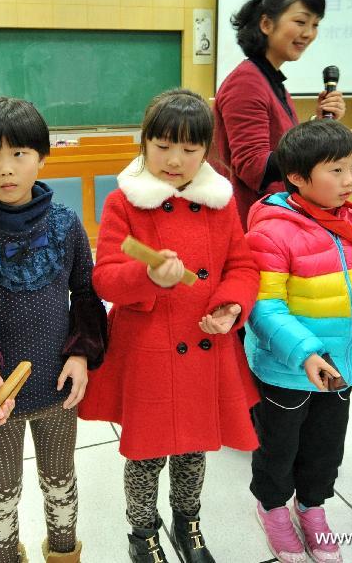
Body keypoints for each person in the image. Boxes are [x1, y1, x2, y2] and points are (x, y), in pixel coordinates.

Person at [79, 89, 260, 563]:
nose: (175, 160)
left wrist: (230, 307)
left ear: (207, 151)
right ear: (144, 143)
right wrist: (147, 276)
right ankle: (142, 534)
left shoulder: (220, 204)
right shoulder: (124, 202)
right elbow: (105, 277)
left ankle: (188, 525)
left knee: (195, 446)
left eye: (190, 149)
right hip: (149, 350)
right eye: (162, 146)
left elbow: (242, 267)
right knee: (145, 451)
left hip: (207, 344)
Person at [0, 96, 107, 563]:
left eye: (19, 154)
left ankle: (63, 553)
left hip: (58, 390)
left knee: (61, 483)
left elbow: (87, 297)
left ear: (42, 156)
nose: (5, 169)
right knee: (1, 492)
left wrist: (80, 354)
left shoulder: (67, 225)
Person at [244, 120, 352, 563]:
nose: (349, 181)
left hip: (342, 366)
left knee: (326, 449)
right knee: (279, 448)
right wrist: (306, 351)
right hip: (287, 370)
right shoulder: (271, 230)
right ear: (296, 176)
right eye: (335, 171)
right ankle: (272, 509)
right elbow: (263, 308)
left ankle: (312, 508)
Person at [213, 0, 352, 228]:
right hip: (258, 223)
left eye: (315, 25)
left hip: (276, 217)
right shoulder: (247, 82)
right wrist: (327, 150)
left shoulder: (269, 78)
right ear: (266, 24)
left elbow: (281, 144)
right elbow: (254, 167)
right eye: (301, 22)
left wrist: (321, 126)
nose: (309, 33)